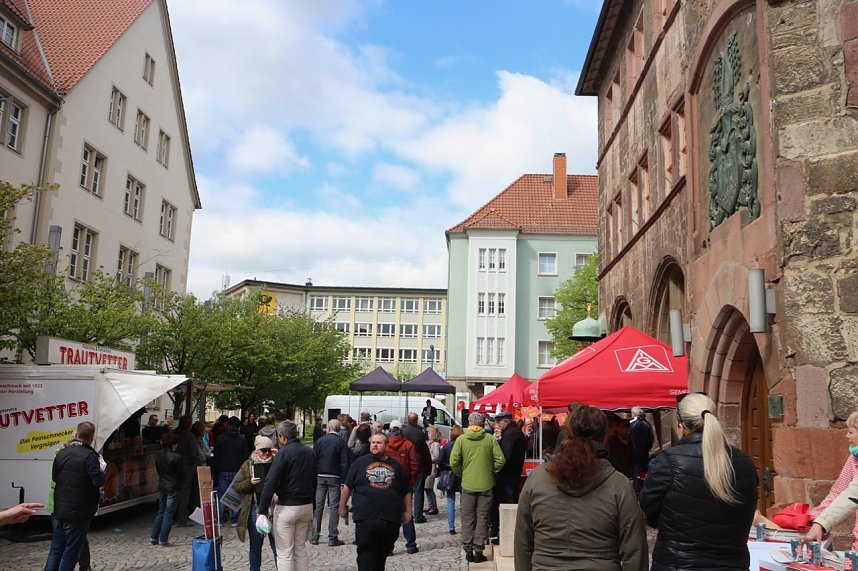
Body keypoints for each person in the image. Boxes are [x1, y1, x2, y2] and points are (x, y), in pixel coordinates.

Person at [514, 406, 648, 571]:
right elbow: (635, 549)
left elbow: (522, 541)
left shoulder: (537, 479)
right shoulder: (618, 484)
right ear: (604, 436)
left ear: (567, 432)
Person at [640, 393, 758, 571]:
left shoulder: (667, 462)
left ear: (681, 427)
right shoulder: (745, 463)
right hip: (732, 564)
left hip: (679, 564)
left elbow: (651, 515)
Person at [339, 432, 413, 571]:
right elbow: (348, 486)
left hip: (389, 519)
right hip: (366, 518)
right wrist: (342, 507)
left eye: (379, 443)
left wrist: (408, 511)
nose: (375, 445)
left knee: (381, 556)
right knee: (366, 556)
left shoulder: (396, 466)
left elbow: (406, 491)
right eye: (373, 442)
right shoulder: (359, 463)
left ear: (386, 445)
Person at [44, 421, 106, 571]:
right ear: (92, 438)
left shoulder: (62, 453)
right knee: (71, 551)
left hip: (59, 507)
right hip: (79, 510)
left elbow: (55, 477)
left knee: (56, 549)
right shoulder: (90, 456)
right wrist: (102, 472)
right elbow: (98, 481)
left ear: (77, 434)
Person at [258, 421, 317, 571]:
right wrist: (314, 507)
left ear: (282, 436)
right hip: (306, 505)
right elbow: (314, 480)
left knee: (284, 552)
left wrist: (262, 510)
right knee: (300, 549)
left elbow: (270, 482)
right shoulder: (309, 452)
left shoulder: (284, 453)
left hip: (287, 507)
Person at [451, 412, 506, 563]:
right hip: (486, 484)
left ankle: (468, 550)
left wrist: (462, 473)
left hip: (468, 484)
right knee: (483, 517)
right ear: (482, 424)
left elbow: (454, 461)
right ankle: (478, 551)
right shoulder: (490, 439)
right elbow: (500, 460)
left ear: (469, 424)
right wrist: (491, 470)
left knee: (467, 517)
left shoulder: (461, 440)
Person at [803, 410, 858, 548]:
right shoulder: (854, 458)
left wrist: (821, 522)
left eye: (851, 432)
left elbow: (853, 495)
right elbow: (839, 492)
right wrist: (816, 519)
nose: (847, 436)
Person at [234, 435, 278, 571]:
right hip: (255, 507)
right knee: (255, 545)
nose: (267, 453)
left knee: (277, 545)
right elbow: (237, 486)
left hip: (275, 508)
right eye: (264, 450)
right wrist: (250, 482)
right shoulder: (248, 464)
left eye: (270, 450)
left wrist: (278, 455)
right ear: (257, 450)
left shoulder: (277, 462)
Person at [311, 419, 349, 547]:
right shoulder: (341, 442)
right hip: (335, 476)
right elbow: (344, 462)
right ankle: (333, 536)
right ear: (339, 429)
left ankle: (315, 535)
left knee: (318, 505)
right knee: (334, 506)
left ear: (328, 428)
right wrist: (344, 481)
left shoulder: (320, 441)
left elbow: (314, 458)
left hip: (320, 475)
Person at [490, 410, 526, 542]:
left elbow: (505, 456)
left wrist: (496, 468)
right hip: (512, 474)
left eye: (499, 422)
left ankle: (505, 535)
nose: (498, 424)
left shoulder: (510, 434)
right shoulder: (516, 432)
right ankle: (502, 532)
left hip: (507, 476)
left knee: (507, 504)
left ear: (506, 421)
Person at [386, 420, 420, 554]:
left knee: (389, 516)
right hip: (404, 484)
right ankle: (411, 545)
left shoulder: (385, 445)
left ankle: (389, 547)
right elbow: (415, 464)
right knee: (407, 513)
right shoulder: (407, 444)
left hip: (387, 485)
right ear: (401, 431)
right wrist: (411, 481)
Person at [150, 432, 183, 547]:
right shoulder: (177, 457)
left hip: (162, 485)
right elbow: (181, 474)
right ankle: (163, 540)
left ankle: (153, 537)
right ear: (173, 444)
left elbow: (158, 469)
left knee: (161, 511)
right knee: (168, 513)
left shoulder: (159, 455)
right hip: (173, 486)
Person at [213, 416, 248, 526]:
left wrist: (216, 470)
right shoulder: (241, 439)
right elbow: (245, 457)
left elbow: (216, 456)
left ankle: (220, 519)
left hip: (223, 469)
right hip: (237, 470)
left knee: (222, 496)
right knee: (236, 495)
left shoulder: (220, 438)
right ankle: (234, 519)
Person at [402, 412, 431, 524]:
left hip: (406, 463)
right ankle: (418, 516)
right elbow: (425, 451)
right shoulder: (420, 433)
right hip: (418, 464)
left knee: (407, 491)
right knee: (418, 491)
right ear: (416, 420)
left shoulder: (403, 432)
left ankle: (407, 513)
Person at [437, 425, 464, 535]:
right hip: (462, 474)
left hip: (449, 474)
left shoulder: (447, 446)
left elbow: (440, 461)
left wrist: (444, 469)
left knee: (450, 500)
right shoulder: (463, 444)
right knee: (464, 502)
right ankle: (465, 525)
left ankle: (451, 527)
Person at [173, 415, 197, 526]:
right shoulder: (190, 436)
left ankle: (172, 516)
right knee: (184, 492)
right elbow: (194, 453)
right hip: (186, 466)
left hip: (173, 465)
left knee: (174, 491)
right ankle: (182, 518)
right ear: (189, 425)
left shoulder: (174, 434)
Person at [629, 406, 654, 493]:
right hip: (644, 452)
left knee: (636, 472)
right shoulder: (647, 424)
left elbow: (630, 438)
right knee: (645, 471)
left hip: (635, 453)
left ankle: (635, 489)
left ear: (634, 413)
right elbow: (651, 439)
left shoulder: (632, 424)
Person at [423, 426, 443, 516]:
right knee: (428, 488)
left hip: (431, 468)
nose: (428, 434)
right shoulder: (430, 443)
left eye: (429, 433)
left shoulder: (435, 444)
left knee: (428, 488)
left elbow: (436, 457)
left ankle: (433, 507)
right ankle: (431, 506)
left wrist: (427, 458)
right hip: (428, 467)